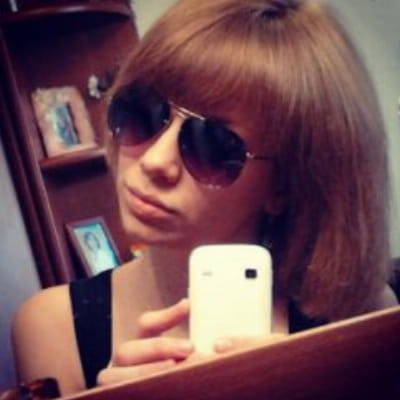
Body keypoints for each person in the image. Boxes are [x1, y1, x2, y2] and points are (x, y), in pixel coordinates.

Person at [11, 0, 398, 396]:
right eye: (143, 113)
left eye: (212, 145)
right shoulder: (52, 328)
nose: (155, 161)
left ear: (283, 187)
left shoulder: (359, 313)